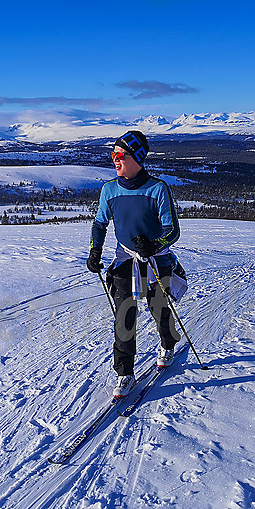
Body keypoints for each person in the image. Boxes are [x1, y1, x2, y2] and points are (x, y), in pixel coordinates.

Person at [86, 130, 183, 399]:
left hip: (154, 260)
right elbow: (100, 223)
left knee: (159, 309)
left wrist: (154, 245)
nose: (115, 160)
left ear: (138, 158)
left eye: (121, 155)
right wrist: (95, 251)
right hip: (125, 261)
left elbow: (172, 230)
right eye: (113, 155)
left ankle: (168, 343)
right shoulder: (109, 190)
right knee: (124, 316)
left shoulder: (157, 189)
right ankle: (125, 373)